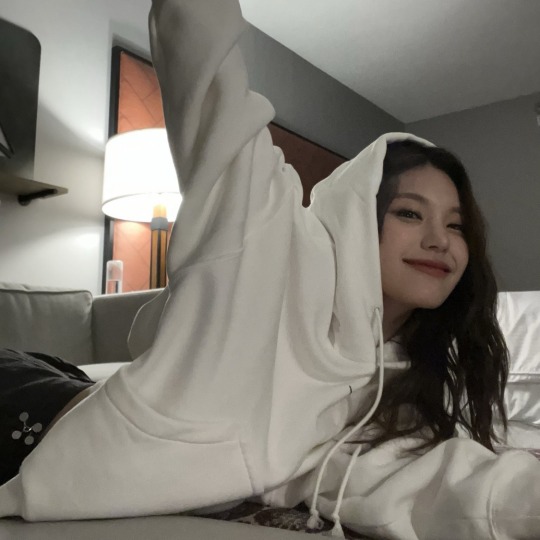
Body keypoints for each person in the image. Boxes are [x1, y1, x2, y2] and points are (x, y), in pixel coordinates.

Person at [2, 0, 540, 538]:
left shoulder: (413, 372)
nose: (439, 241)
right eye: (409, 213)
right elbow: (206, 73)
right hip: (37, 408)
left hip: (81, 385)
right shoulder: (275, 246)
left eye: (456, 225)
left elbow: (434, 482)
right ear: (360, 217)